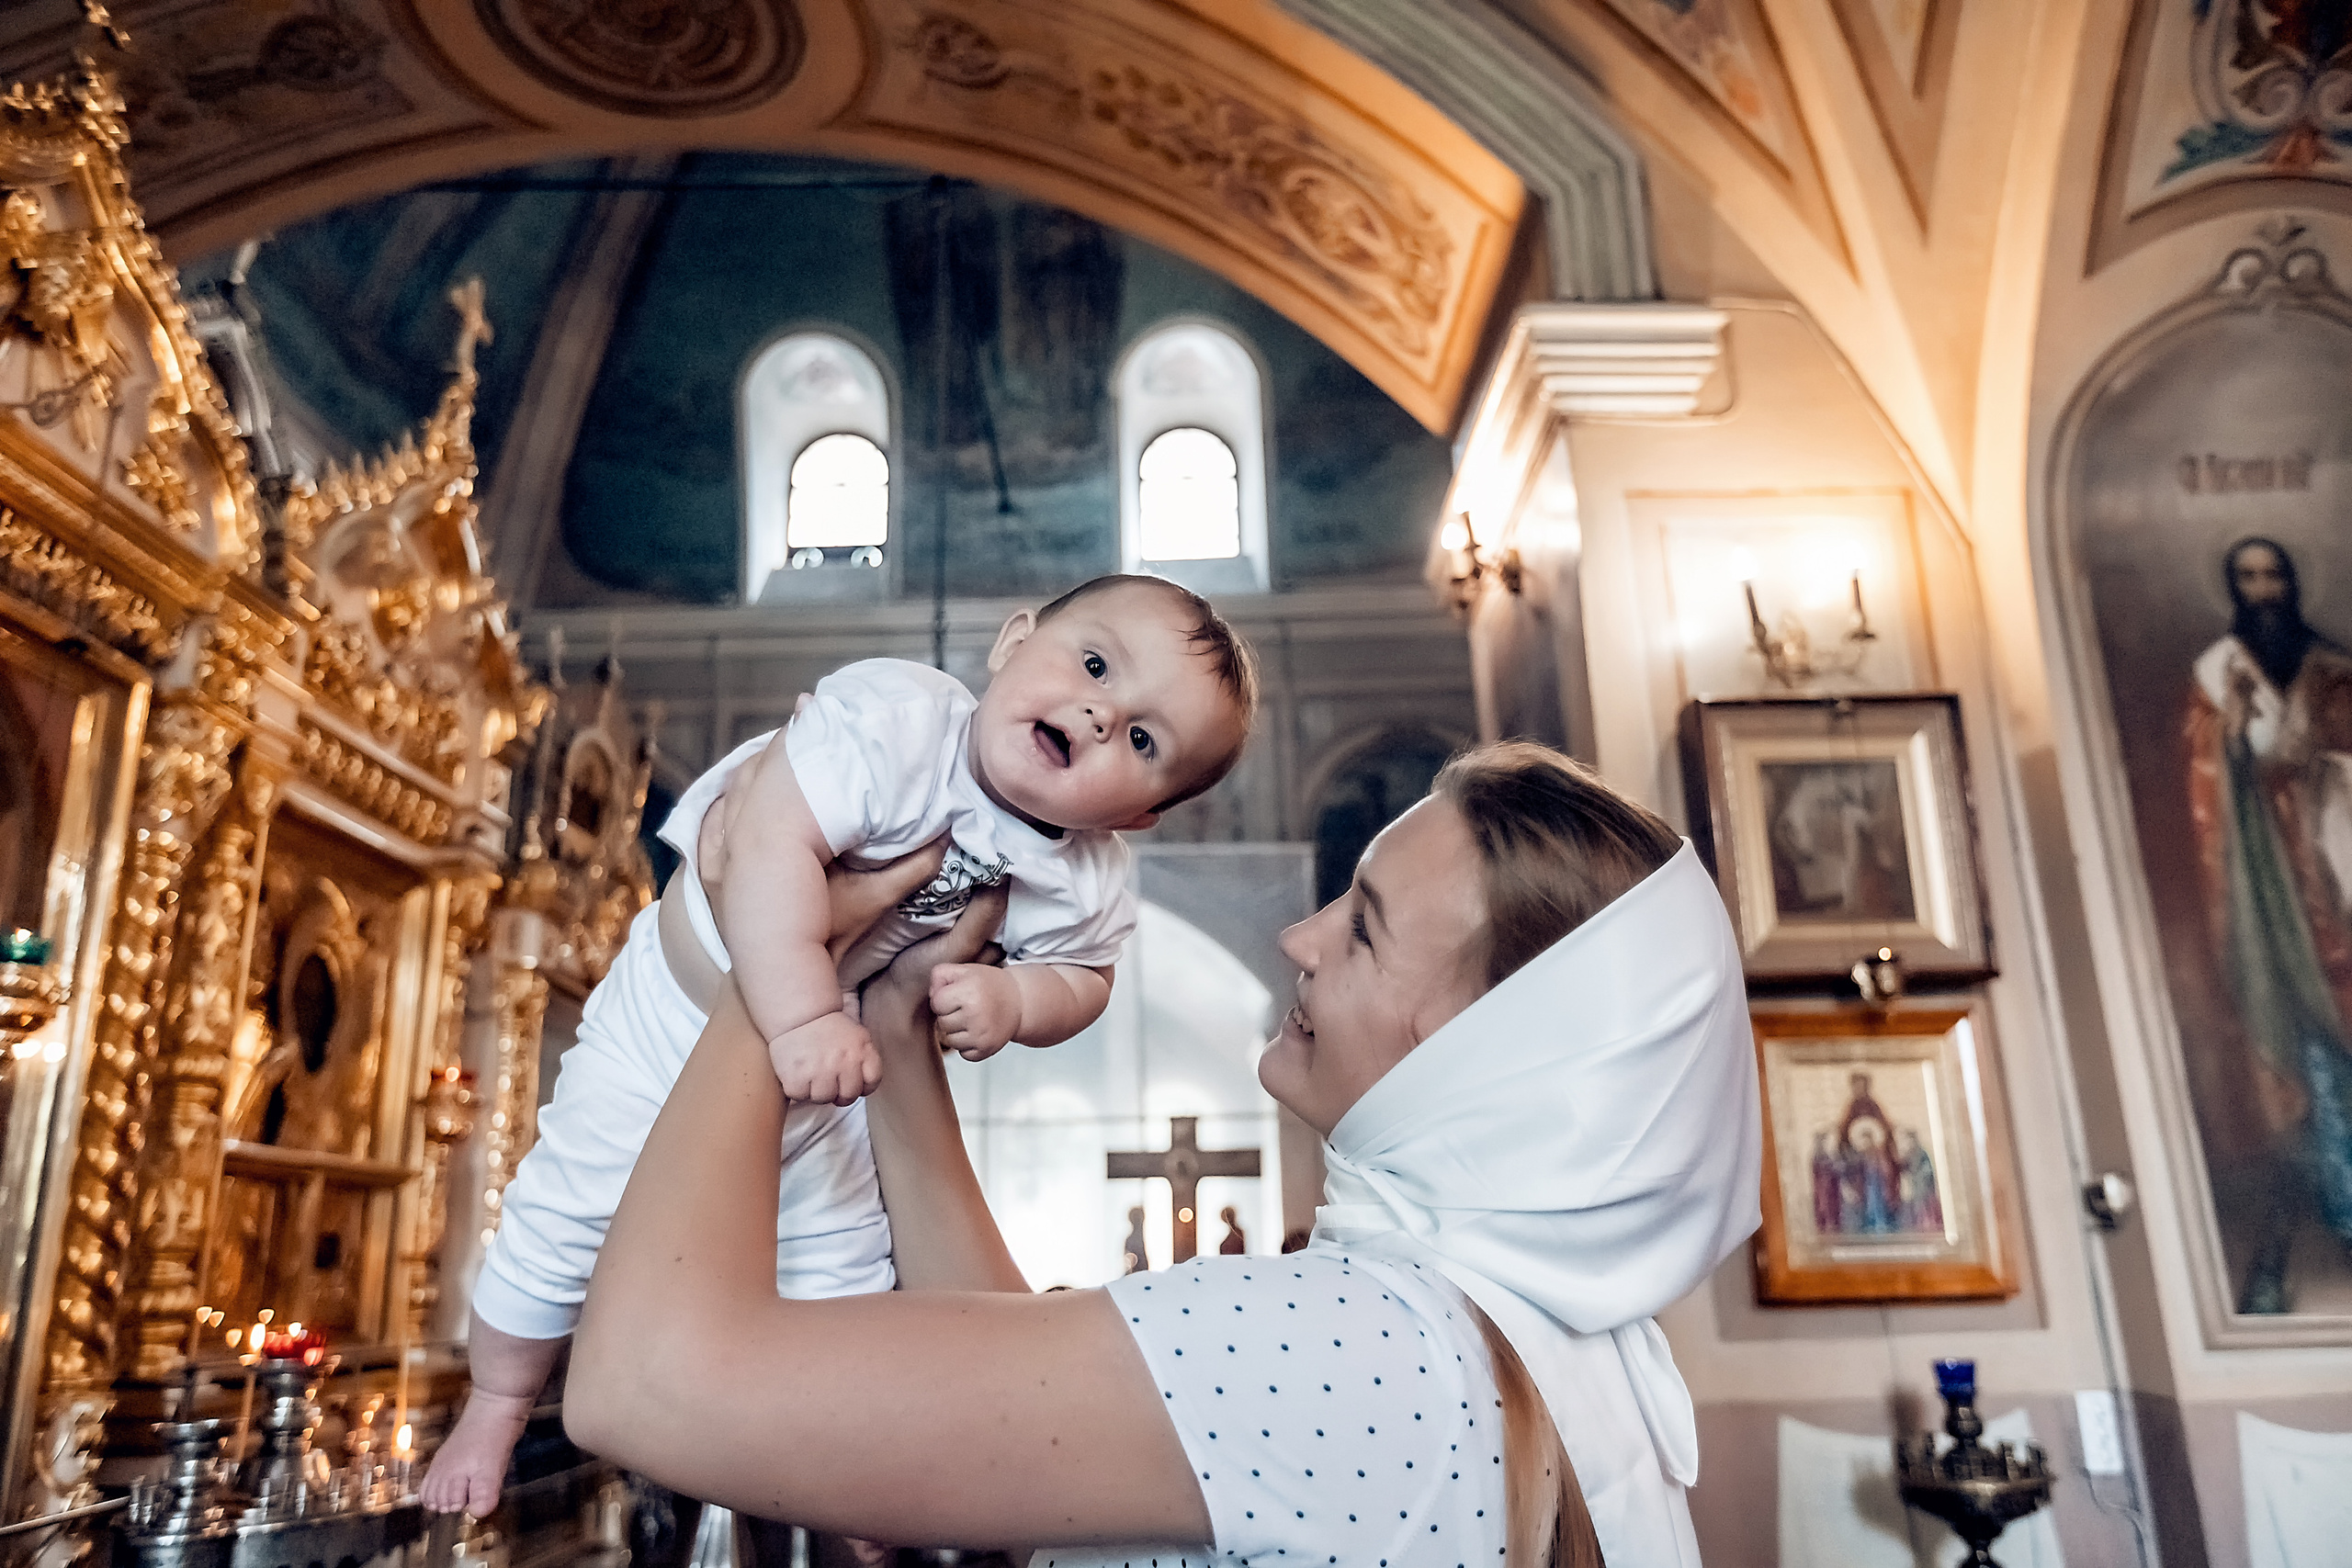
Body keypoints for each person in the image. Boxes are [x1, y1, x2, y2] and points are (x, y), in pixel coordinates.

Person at [568, 741, 1760, 1564]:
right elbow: (1042, 1411)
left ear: (1487, 1047)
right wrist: (893, 1020)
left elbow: (648, 1384)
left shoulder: (1362, 1345)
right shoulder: (1515, 1335)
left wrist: (781, 954)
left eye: (1364, 927)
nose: (1300, 937)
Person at [421, 575, 1259, 1517]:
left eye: (1143, 741)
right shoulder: (898, 721)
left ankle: (837, 1482)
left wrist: (1018, 997)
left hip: (833, 1093)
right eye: (1095, 664)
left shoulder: (1087, 877)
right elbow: (766, 842)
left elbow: (1087, 981)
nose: (1102, 715)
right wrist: (802, 1017)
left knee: (848, 1279)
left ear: (1139, 816)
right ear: (1013, 640)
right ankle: (497, 1402)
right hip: (672, 1026)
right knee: (558, 1221)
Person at [2185, 536, 2352, 1312]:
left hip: (2339, 857)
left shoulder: (2330, 668)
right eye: (2248, 578)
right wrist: (2230, 736)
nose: (2263, 591)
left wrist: (2323, 765)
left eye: (2273, 575)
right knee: (2313, 1059)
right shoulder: (2218, 671)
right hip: (2274, 889)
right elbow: (2208, 774)